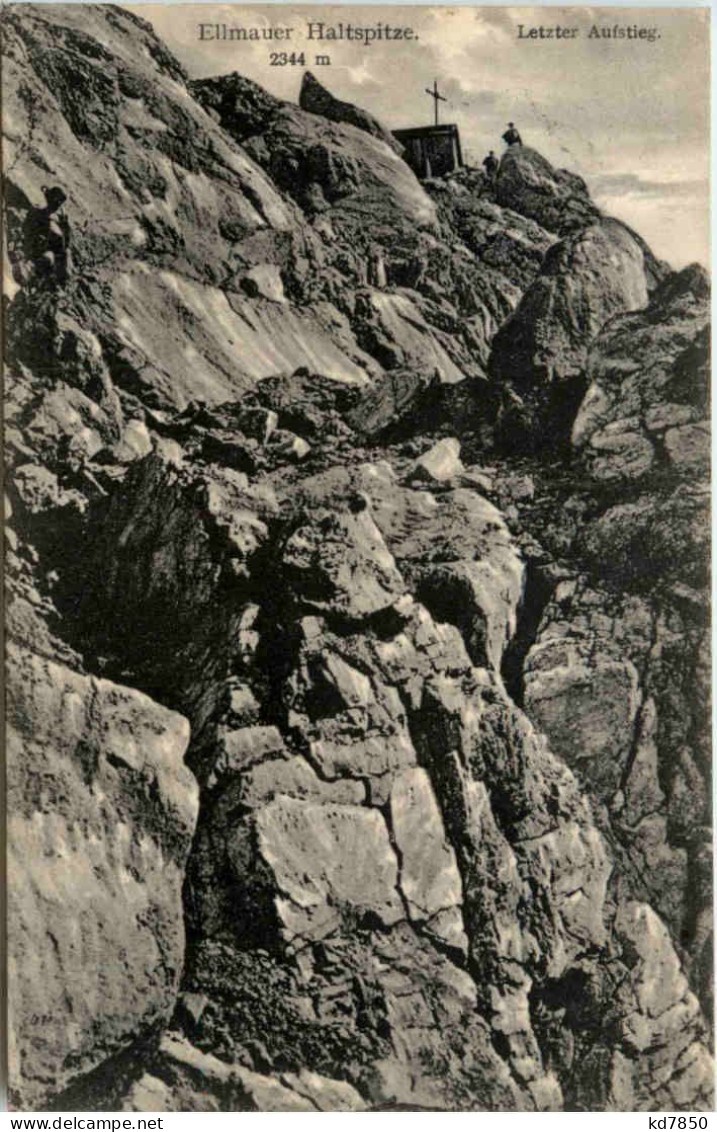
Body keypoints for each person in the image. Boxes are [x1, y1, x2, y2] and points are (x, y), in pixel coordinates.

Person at [22, 185, 71, 289]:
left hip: (36, 248)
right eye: (57, 203)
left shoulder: (39, 212)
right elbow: (63, 246)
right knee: (51, 258)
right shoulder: (47, 220)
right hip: (37, 253)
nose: (59, 206)